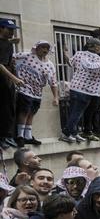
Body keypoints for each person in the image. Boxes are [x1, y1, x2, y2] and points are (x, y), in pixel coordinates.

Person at [12, 39, 57, 146]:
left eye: (47, 48)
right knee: (24, 111)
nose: (45, 50)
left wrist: (55, 97)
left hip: (38, 92)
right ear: (36, 48)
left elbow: (53, 82)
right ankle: (20, 136)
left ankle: (28, 136)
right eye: (42, 47)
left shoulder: (50, 65)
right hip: (24, 88)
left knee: (32, 112)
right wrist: (14, 72)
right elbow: (11, 57)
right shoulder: (26, 56)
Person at [0, 17, 22, 149]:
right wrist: (13, 78)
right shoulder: (5, 44)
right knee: (6, 109)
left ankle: (5, 136)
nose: (12, 32)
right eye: (9, 29)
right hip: (3, 81)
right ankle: (4, 137)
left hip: (5, 80)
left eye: (13, 30)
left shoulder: (7, 43)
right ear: (1, 28)